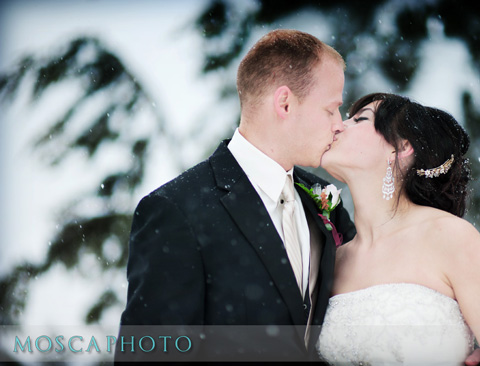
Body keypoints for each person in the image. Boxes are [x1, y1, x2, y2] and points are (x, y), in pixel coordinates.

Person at [115, 29, 356, 363]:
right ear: (284, 102)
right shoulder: (177, 211)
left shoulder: (324, 202)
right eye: (331, 109)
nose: (340, 124)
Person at [317, 92, 480, 365]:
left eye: (359, 119)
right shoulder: (333, 258)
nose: (338, 125)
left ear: (402, 147)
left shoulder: (451, 237)